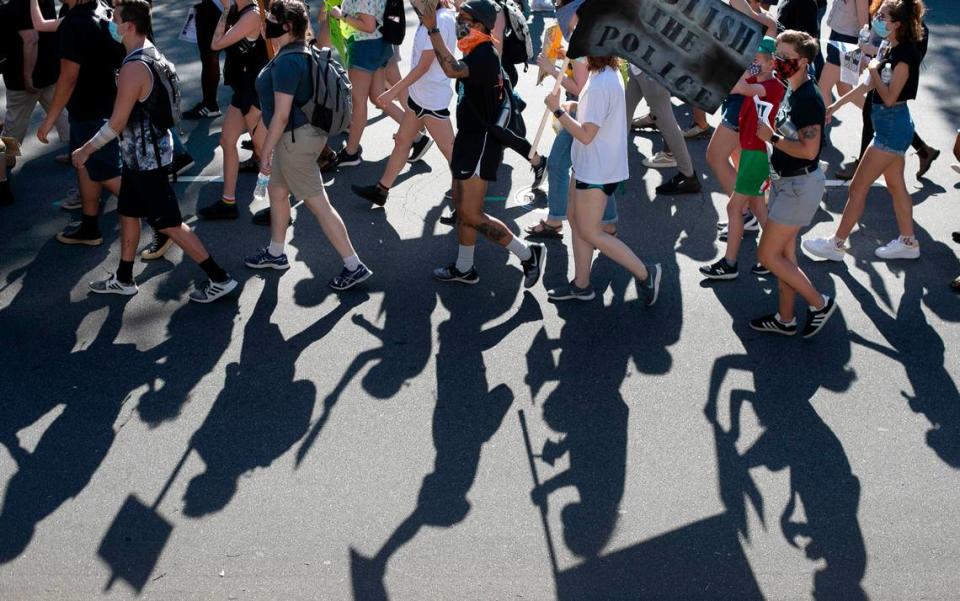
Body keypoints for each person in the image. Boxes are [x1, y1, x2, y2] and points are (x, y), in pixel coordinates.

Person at [74, 0, 237, 302]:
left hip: (146, 160)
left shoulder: (133, 67)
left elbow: (117, 123)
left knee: (171, 224)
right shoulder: (150, 52)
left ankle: (219, 277)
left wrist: (85, 150)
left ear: (129, 26)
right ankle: (124, 277)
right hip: (146, 155)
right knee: (127, 211)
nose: (111, 20)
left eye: (116, 17)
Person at [244, 0, 373, 291]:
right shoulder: (297, 51)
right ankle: (276, 252)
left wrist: (264, 151)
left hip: (294, 141)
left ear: (287, 26)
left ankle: (353, 265)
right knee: (277, 192)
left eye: (273, 18)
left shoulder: (289, 61)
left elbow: (282, 113)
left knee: (319, 205)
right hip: (299, 137)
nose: (267, 22)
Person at [416, 0, 544, 288]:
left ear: (479, 25)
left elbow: (451, 69)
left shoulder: (484, 54)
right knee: (462, 208)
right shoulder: (476, 48)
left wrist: (433, 30)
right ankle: (464, 268)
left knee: (472, 213)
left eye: (464, 19)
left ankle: (527, 254)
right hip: (469, 137)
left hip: (481, 143)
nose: (459, 24)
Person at [804, 0, 926, 262]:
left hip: (892, 127)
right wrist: (833, 107)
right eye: (877, 15)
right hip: (888, 125)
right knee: (896, 186)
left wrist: (872, 67)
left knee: (857, 188)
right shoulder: (887, 46)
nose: (876, 19)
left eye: (882, 16)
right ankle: (908, 242)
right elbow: (865, 86)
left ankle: (836, 244)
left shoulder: (904, 55)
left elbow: (891, 97)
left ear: (897, 24)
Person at [543, 53, 662, 305]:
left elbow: (586, 135)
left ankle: (645, 272)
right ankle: (581, 285)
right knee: (575, 222)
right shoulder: (606, 72)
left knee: (590, 231)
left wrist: (556, 110)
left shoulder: (601, 82)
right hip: (591, 163)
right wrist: (575, 107)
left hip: (597, 168)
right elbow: (602, 113)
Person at [752, 30, 838, 338]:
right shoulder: (793, 86)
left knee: (767, 255)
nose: (777, 61)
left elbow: (809, 150)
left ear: (801, 61)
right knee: (784, 258)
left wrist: (771, 138)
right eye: (776, 54)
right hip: (784, 181)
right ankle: (785, 318)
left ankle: (819, 303)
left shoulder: (807, 98)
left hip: (798, 188)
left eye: (783, 57)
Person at [524, 0, 618, 239]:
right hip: (590, 111)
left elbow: (581, 86)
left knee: (558, 163)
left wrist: (552, 68)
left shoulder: (580, 40)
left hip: (583, 113)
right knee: (594, 169)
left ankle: (558, 219)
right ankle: (607, 223)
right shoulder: (593, 33)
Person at [35, 0, 125, 246]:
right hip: (103, 104)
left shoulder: (75, 22)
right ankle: (89, 226)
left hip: (91, 110)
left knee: (107, 173)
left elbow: (68, 77)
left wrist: (49, 120)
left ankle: (163, 221)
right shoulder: (103, 9)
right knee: (83, 164)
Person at [351, 0, 458, 207]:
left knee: (449, 150)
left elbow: (424, 65)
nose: (414, 1)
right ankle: (381, 190)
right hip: (421, 97)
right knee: (402, 140)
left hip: (432, 100)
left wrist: (393, 91)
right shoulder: (431, 14)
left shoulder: (440, 19)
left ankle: (466, 195)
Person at [701, 36, 785, 280]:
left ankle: (730, 264)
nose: (752, 63)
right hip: (751, 152)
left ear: (771, 64)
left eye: (756, 59)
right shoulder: (757, 77)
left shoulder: (772, 86)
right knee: (759, 207)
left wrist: (740, 70)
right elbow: (729, 83)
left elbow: (741, 88)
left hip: (756, 156)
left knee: (733, 207)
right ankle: (774, 257)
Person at [197, 0, 269, 220]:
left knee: (264, 151)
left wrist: (227, 11)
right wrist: (227, 10)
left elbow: (216, 44)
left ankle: (281, 209)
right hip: (243, 88)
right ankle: (228, 203)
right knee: (227, 141)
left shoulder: (252, 15)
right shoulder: (238, 11)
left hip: (255, 91)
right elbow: (215, 42)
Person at [328, 0, 408, 168]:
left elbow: (368, 26)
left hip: (364, 46)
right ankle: (415, 135)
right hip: (379, 43)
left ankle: (351, 152)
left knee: (358, 103)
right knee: (378, 97)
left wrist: (341, 14)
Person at [624, 66, 702, 195]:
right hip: (638, 64)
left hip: (652, 67)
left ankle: (688, 175)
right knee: (623, 114)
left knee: (665, 120)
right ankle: (611, 164)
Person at [818, 0, 869, 106]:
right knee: (845, 90)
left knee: (823, 88)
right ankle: (876, 115)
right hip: (838, 35)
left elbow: (864, 22)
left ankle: (822, 122)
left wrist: (863, 50)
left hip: (847, 41)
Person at [182, 0, 224, 119]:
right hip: (215, 6)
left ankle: (210, 104)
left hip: (216, 7)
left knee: (210, 57)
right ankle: (210, 103)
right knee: (210, 57)